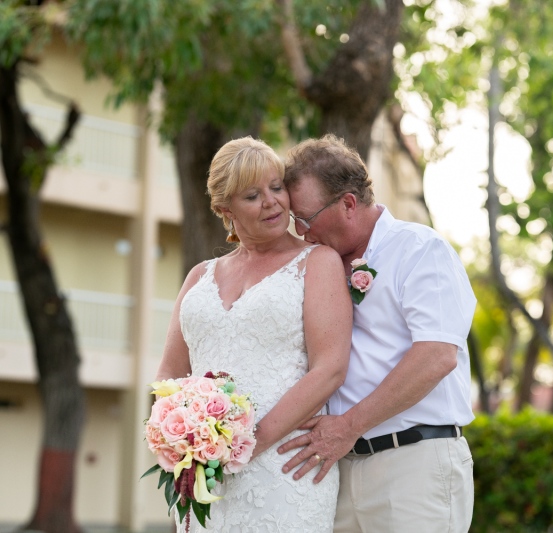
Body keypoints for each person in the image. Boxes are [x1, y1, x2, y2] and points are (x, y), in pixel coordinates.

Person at [279, 134, 477, 532]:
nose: (301, 232)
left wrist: (348, 426)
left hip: (413, 465)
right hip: (339, 469)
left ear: (348, 203)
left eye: (305, 218)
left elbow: (437, 356)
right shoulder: (319, 267)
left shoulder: (421, 250)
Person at [154, 136, 352, 532]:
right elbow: (169, 375)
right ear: (224, 209)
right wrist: (183, 441)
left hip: (285, 469)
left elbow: (329, 368)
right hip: (205, 475)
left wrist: (247, 445)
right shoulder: (199, 276)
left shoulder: (317, 263)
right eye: (252, 195)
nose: (272, 201)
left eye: (277, 187)